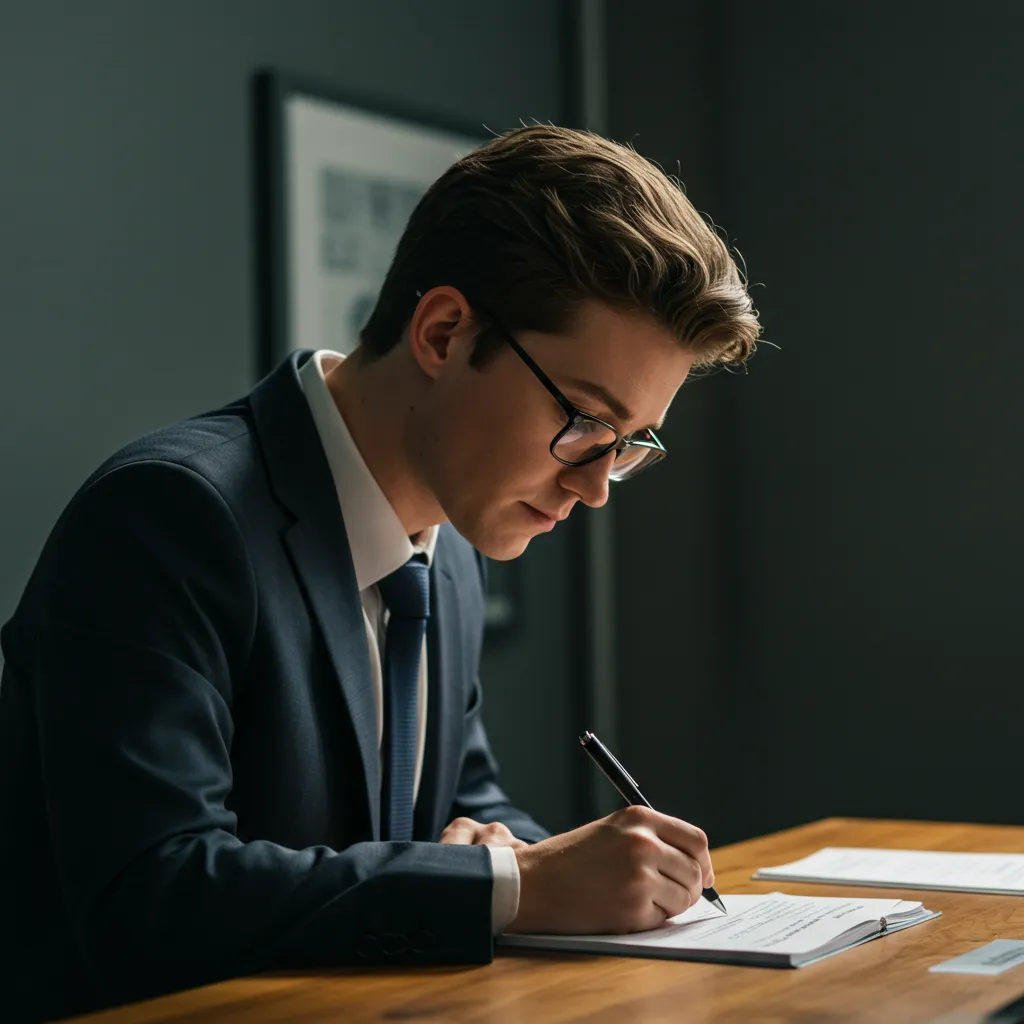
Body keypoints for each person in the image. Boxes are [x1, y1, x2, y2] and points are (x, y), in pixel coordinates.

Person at [0, 124, 760, 1022]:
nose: (597, 487)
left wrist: (514, 853)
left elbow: (465, 805)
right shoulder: (169, 517)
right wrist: (506, 883)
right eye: (586, 421)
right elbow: (153, 895)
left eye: (631, 445)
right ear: (443, 332)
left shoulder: (452, 548)